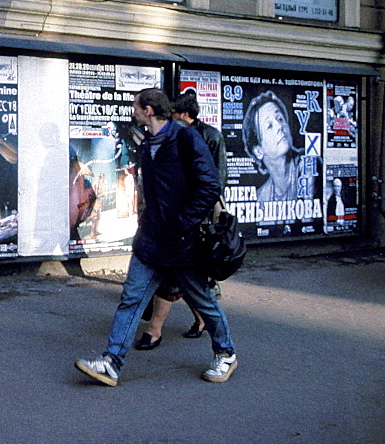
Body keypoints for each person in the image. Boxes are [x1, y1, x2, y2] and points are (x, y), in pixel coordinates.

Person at [75, 88, 236, 386]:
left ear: (148, 109)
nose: (132, 111)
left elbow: (211, 185)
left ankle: (226, 353)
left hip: (181, 242)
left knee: (202, 299)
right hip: (151, 239)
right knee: (131, 298)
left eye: (136, 106)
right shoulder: (146, 142)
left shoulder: (186, 138)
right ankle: (111, 363)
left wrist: (181, 223)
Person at [135, 91, 227, 349]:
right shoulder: (171, 136)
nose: (170, 119)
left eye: (174, 115)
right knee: (185, 281)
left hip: (195, 221)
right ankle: (199, 325)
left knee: (190, 283)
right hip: (175, 221)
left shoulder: (199, 136)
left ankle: (157, 330)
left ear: (184, 115)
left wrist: (188, 219)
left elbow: (214, 182)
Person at [242, 90, 306, 203]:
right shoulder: (261, 198)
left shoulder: (308, 166)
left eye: (280, 119)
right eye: (269, 126)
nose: (279, 126)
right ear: (258, 151)